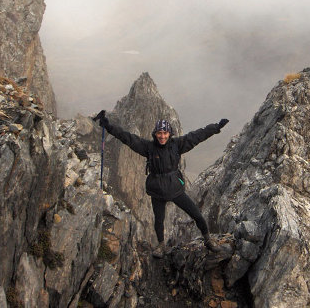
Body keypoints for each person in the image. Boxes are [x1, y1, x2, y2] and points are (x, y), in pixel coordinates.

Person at [96, 110, 229, 258]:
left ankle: (208, 240)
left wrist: (216, 127)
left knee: (197, 214)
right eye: (159, 133)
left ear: (169, 134)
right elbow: (127, 138)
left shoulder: (177, 145)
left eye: (165, 133)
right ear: (155, 134)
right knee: (159, 220)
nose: (162, 136)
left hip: (175, 189)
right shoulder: (148, 147)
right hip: (157, 191)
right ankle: (161, 246)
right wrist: (108, 126)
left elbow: (197, 136)